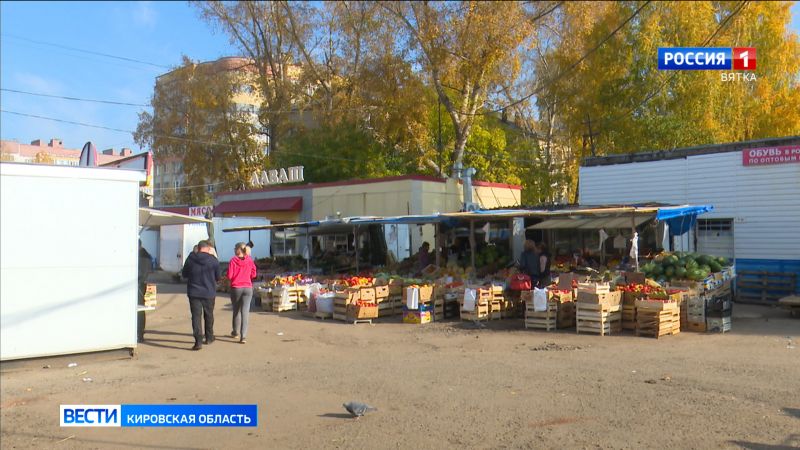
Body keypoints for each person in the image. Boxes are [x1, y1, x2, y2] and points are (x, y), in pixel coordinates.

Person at [181, 240, 221, 351]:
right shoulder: (213, 260)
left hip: (194, 292)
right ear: (208, 248)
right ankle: (209, 337)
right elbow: (218, 277)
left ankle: (198, 341)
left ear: (198, 248)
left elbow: (184, 274)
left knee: (196, 316)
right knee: (209, 315)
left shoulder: (190, 259)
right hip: (209, 292)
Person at [227, 242, 257, 344]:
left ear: (239, 249)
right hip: (248, 287)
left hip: (236, 287)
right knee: (245, 312)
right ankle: (243, 336)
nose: (234, 250)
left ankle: (235, 332)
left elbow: (230, 276)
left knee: (236, 310)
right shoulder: (250, 260)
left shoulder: (233, 261)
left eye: (235, 248)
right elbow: (254, 274)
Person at [137, 240, 152, 343]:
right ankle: (140, 332)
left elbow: (141, 273)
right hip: (141, 284)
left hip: (139, 285)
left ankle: (139, 333)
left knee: (139, 309)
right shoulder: (145, 255)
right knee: (140, 309)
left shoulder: (142, 256)